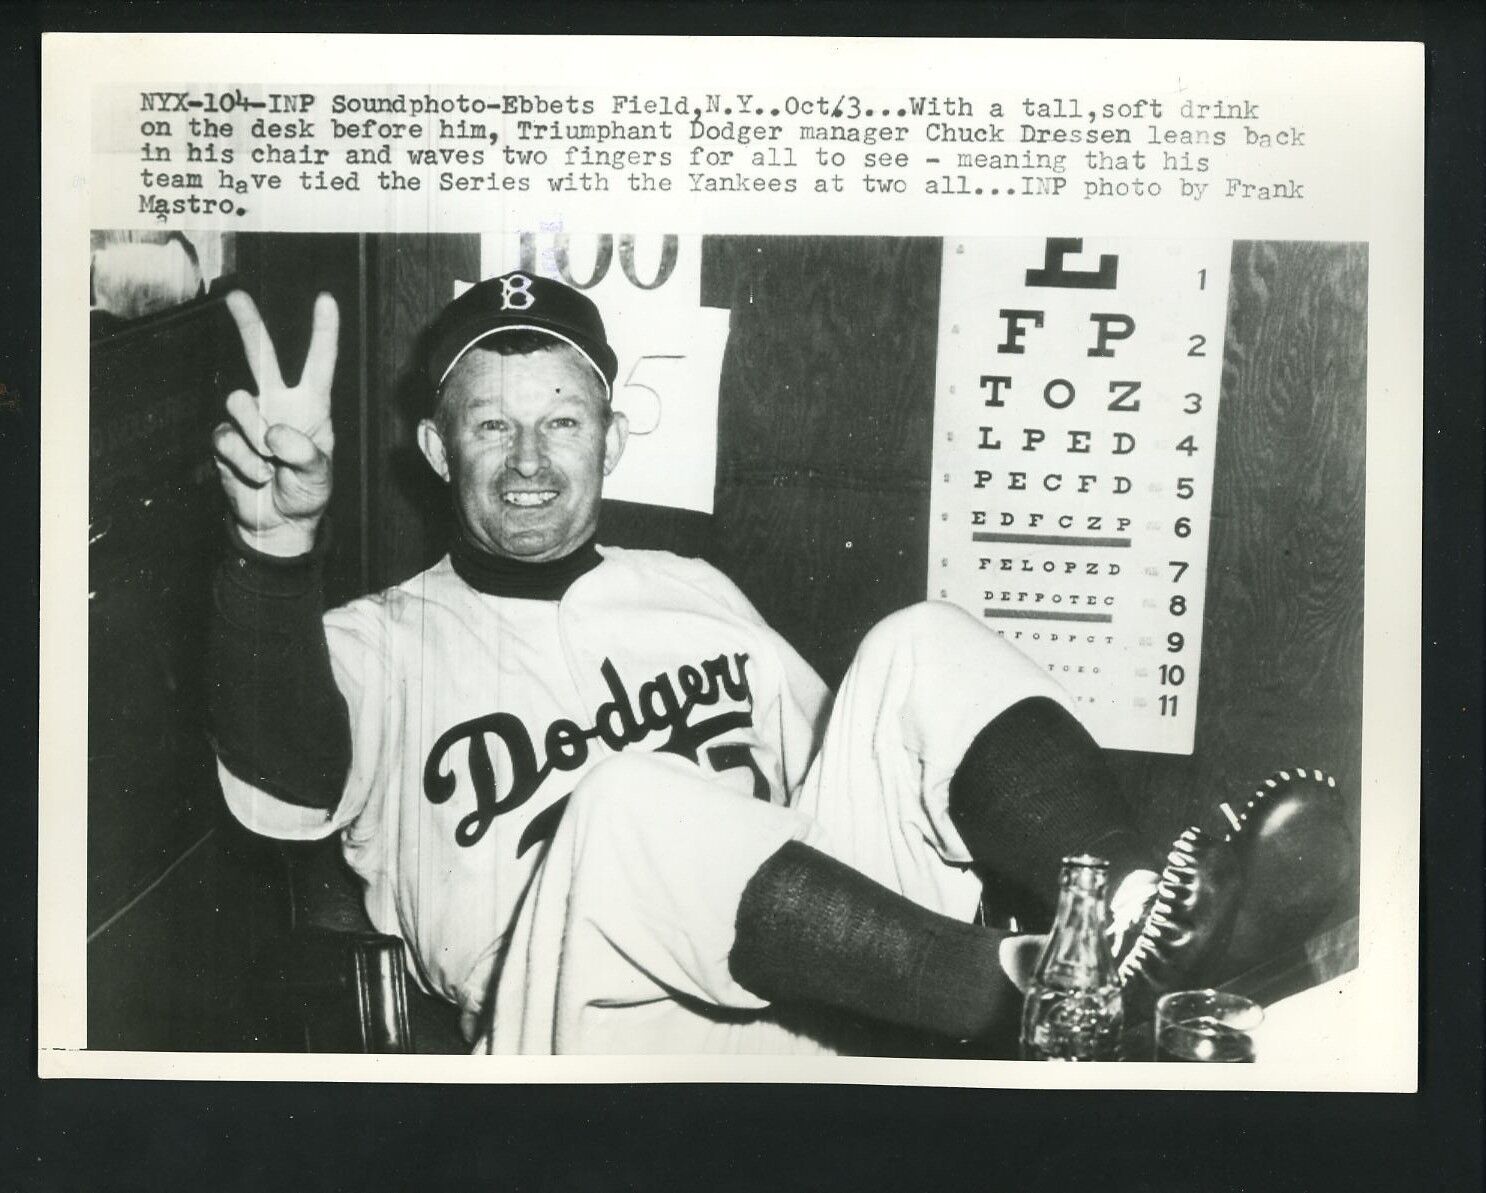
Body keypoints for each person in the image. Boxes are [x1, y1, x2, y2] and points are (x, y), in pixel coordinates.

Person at [207, 271, 1345, 1055]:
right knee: (633, 807)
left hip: (827, 995)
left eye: (561, 421)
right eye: (489, 425)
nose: (528, 462)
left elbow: (851, 800)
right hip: (591, 1033)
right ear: (431, 446)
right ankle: (1031, 996)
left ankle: (1134, 934)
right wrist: (274, 550)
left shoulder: (696, 592)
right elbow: (284, 786)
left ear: (612, 436)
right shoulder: (369, 638)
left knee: (916, 640)